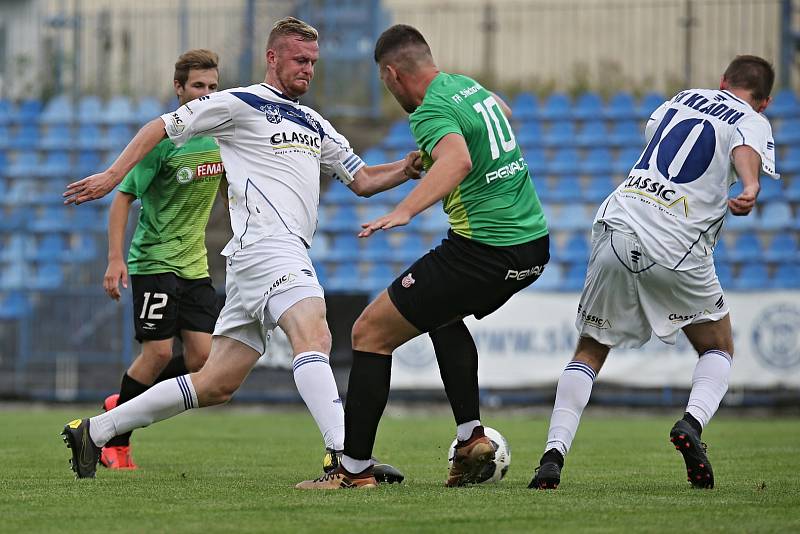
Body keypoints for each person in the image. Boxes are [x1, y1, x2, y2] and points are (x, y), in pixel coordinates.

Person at [60, 17, 415, 482]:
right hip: (268, 246)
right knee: (315, 336)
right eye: (299, 60)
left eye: (313, 61)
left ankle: (97, 430)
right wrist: (112, 175)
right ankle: (346, 459)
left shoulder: (315, 122)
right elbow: (161, 127)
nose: (308, 69)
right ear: (272, 58)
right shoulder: (239, 103)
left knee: (215, 383)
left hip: (263, 257)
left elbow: (363, 179)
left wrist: (408, 167)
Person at [296, 24, 549, 490]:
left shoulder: (430, 110)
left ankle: (352, 472)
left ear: (392, 74)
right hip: (532, 247)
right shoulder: (468, 89)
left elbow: (458, 161)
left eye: (384, 82)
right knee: (442, 315)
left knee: (369, 332)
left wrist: (405, 210)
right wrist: (435, 155)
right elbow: (503, 113)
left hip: (484, 249)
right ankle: (472, 439)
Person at [529, 55, 778, 491]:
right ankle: (691, 424)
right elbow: (744, 145)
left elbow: (655, 134)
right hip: (676, 245)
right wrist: (751, 185)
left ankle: (552, 456)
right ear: (765, 102)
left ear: (722, 80)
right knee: (718, 346)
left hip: (618, 222)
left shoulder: (682, 98)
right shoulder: (751, 119)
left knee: (589, 349)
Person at [97, 49, 225, 471]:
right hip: (154, 262)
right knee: (155, 353)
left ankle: (126, 399)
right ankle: (114, 440)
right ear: (179, 88)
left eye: (212, 87)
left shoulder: (224, 137)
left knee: (203, 361)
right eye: (197, 87)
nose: (206, 95)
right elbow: (122, 199)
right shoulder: (162, 142)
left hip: (195, 266)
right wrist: (115, 260)